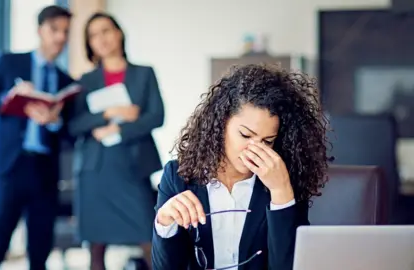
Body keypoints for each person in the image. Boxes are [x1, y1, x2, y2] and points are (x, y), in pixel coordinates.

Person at [152, 64, 331, 270]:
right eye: (245, 135)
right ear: (220, 123)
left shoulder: (284, 178)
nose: (255, 149)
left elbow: (288, 266)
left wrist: (281, 193)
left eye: (267, 141)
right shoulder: (178, 176)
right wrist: (165, 222)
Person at [0, 6, 73, 270]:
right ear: (40, 30)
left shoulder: (65, 81)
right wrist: (9, 96)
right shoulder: (10, 63)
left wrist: (55, 121)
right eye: (54, 30)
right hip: (10, 166)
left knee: (40, 247)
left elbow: (71, 133)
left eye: (65, 32)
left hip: (44, 170)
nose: (60, 37)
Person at [67, 12, 164, 270]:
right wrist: (109, 114)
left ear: (119, 33)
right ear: (89, 43)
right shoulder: (85, 82)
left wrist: (119, 131)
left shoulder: (144, 73)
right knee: (96, 247)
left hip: (132, 166)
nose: (101, 38)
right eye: (94, 35)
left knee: (149, 237)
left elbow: (157, 116)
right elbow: (74, 125)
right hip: (95, 171)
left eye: (106, 30)